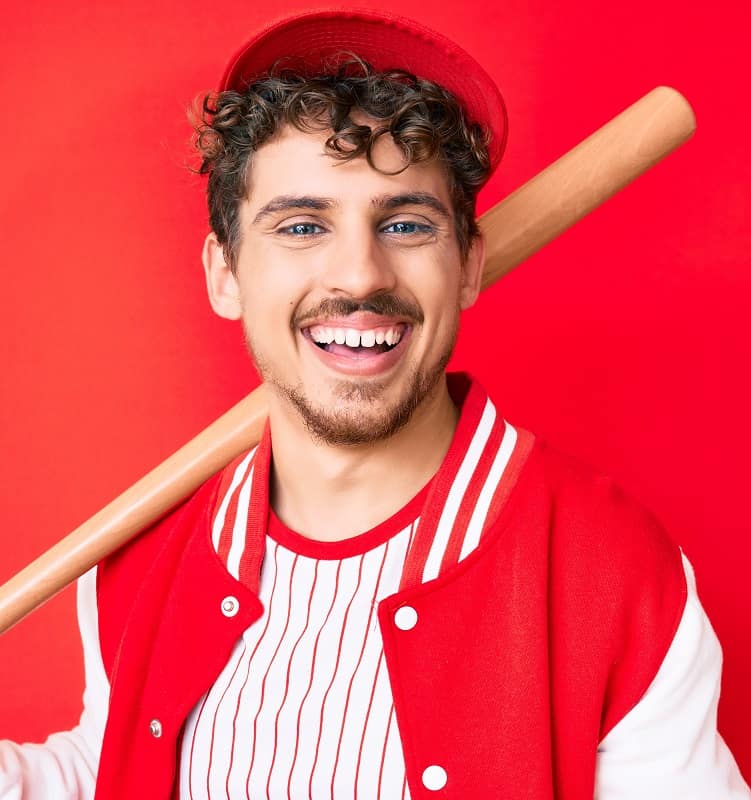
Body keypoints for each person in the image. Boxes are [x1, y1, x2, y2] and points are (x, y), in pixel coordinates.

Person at [1, 9, 749, 799]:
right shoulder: (141, 562)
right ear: (225, 273)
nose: (359, 276)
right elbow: (113, 768)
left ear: (466, 264)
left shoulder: (611, 576)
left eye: (403, 223)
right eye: (300, 225)